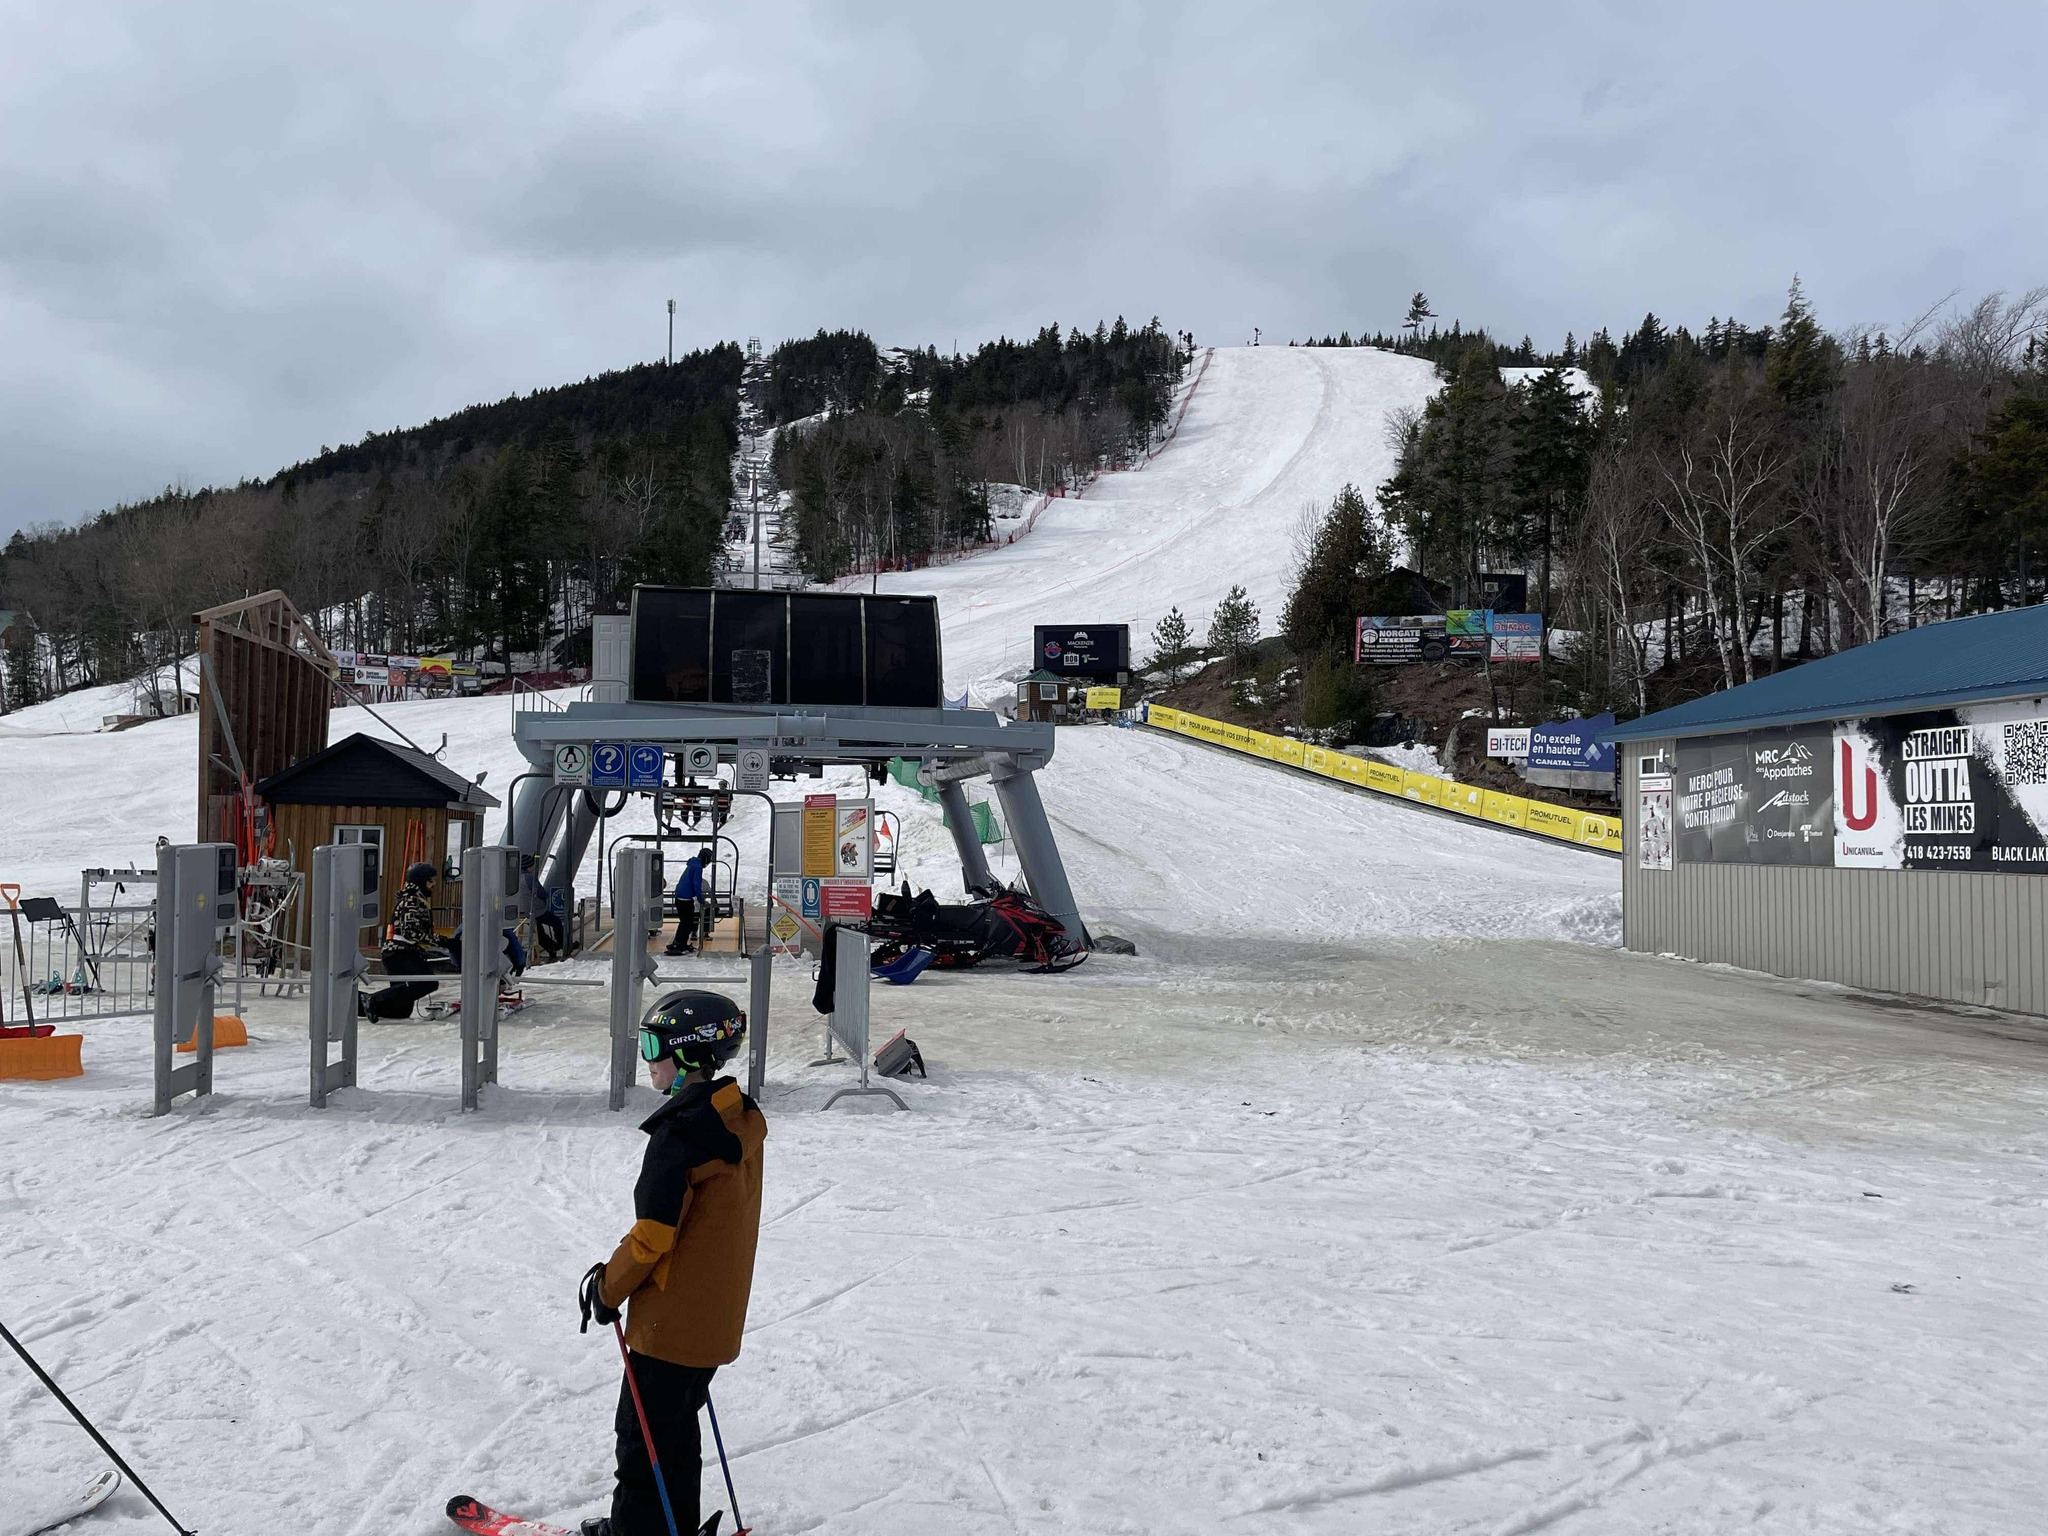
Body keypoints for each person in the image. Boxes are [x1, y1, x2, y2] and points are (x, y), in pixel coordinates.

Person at [578, 991, 766, 1536]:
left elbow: (652, 1238)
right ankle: (672, 1526)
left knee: (642, 1440)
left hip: (669, 1324)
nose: (648, 1059)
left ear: (687, 1053)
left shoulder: (680, 1136)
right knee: (674, 1431)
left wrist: (607, 1290)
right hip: (714, 1317)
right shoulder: (733, 1117)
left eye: (654, 1046)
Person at [363, 862, 442, 1020]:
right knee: (427, 982)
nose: (433, 884)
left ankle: (357, 1002)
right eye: (430, 880)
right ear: (421, 881)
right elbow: (410, 932)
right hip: (400, 953)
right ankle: (373, 999)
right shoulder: (411, 900)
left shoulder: (415, 898)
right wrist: (442, 942)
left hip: (399, 953)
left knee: (400, 1010)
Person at [665, 848, 713, 956]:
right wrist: (701, 900)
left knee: (685, 922)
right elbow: (696, 885)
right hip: (685, 898)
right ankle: (679, 944)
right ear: (705, 859)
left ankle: (679, 942)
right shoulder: (697, 867)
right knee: (687, 923)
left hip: (681, 897)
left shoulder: (693, 864)